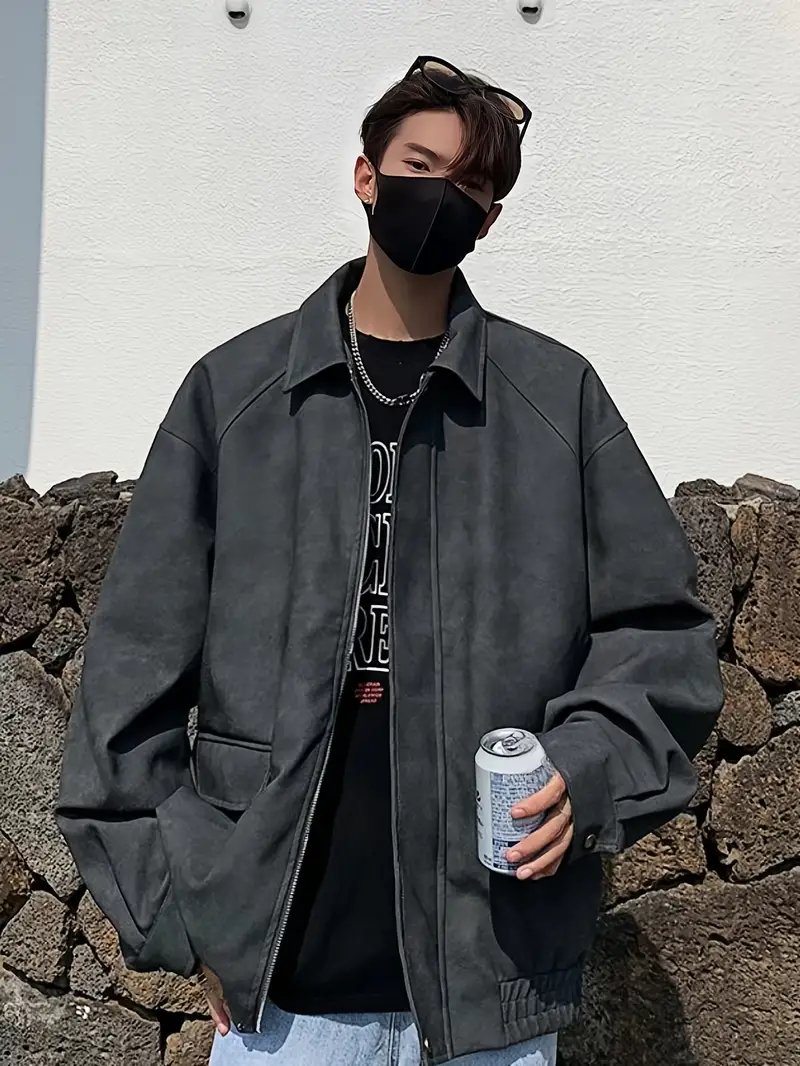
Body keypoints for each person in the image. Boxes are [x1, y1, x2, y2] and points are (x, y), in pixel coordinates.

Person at [56, 56, 723, 1066]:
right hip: (282, 1006)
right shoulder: (235, 397)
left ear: (490, 219)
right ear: (365, 175)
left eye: (470, 184)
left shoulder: (556, 401)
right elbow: (129, 678)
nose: (440, 196)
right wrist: (183, 916)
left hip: (489, 985)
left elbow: (659, 635)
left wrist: (587, 769)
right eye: (420, 166)